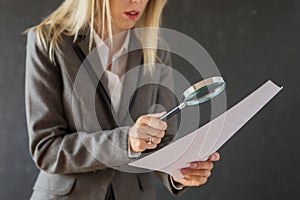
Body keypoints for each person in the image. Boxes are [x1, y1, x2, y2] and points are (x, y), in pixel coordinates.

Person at [25, 0, 220, 199]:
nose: (137, 1)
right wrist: (125, 141)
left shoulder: (156, 49)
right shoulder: (50, 41)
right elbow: (46, 148)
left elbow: (163, 142)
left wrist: (181, 171)